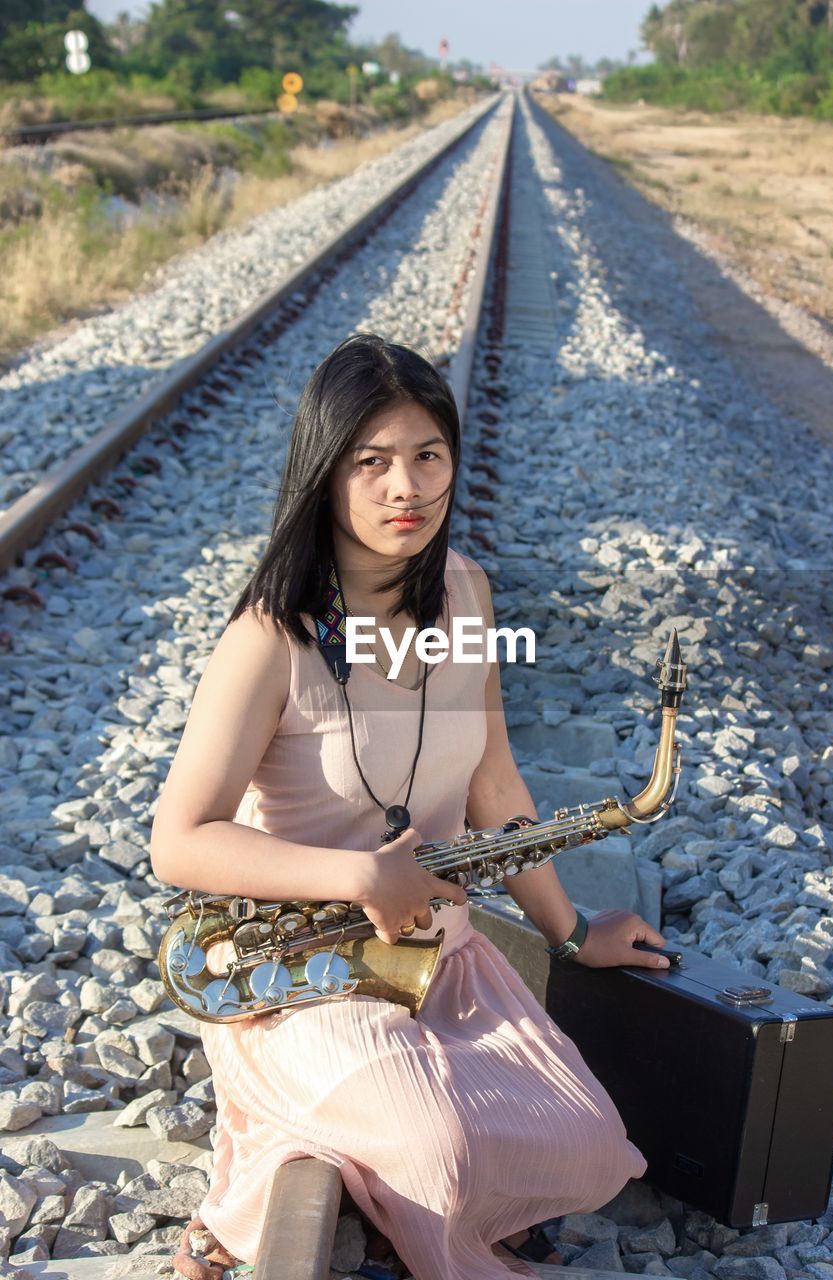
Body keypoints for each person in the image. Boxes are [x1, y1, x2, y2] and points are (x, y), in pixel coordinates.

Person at [150, 332, 671, 1280]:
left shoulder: (466, 593)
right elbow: (177, 841)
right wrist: (357, 872)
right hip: (304, 968)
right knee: (442, 1151)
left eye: (428, 456)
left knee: (593, 1149)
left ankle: (350, 1156)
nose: (407, 489)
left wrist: (568, 932)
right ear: (325, 472)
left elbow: (495, 788)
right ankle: (255, 1174)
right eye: (373, 462)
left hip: (440, 957)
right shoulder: (268, 638)